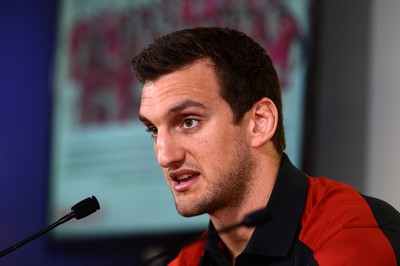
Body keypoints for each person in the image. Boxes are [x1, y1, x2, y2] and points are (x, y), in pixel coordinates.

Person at [132, 27, 400, 265]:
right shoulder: (190, 259)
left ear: (260, 123)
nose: (165, 156)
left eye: (188, 122)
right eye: (154, 130)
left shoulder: (348, 239)